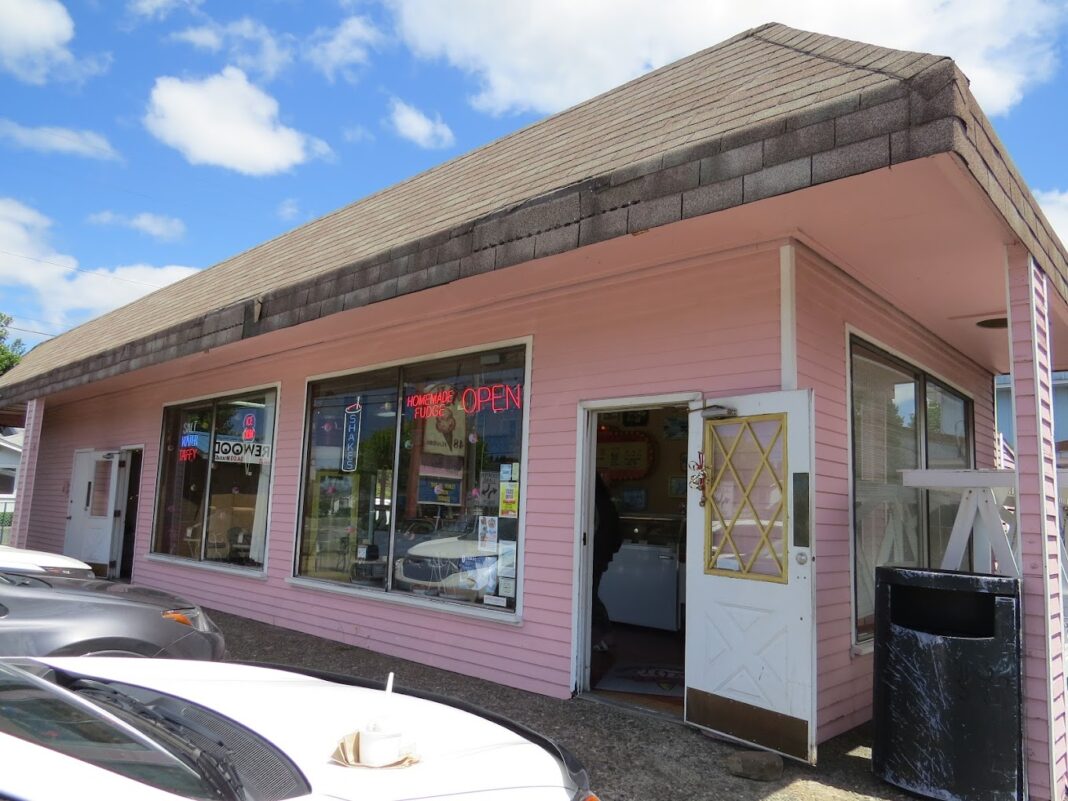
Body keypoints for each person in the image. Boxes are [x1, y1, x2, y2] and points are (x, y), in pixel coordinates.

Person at [591, 472, 623, 652]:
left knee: (588, 596)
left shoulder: (592, 501)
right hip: (600, 556)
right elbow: (617, 536)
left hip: (592, 556)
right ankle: (603, 635)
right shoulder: (607, 502)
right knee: (591, 595)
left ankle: (604, 634)